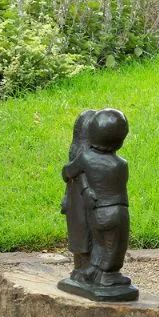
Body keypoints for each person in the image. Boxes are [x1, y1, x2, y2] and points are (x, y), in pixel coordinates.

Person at [62, 109, 132, 287]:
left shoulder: (84, 157)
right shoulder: (122, 165)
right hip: (117, 211)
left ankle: (93, 270)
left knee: (100, 243)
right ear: (121, 140)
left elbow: (67, 172)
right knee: (115, 246)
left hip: (96, 213)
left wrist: (83, 183)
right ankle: (107, 274)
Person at [61, 109, 96, 281]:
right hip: (76, 203)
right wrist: (66, 197)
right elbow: (68, 176)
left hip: (87, 202)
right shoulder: (79, 153)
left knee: (88, 237)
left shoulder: (93, 156)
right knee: (78, 237)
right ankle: (79, 269)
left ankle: (89, 269)